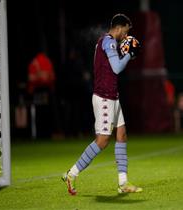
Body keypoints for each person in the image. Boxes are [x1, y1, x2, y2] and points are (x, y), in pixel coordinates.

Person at [61, 14, 142, 195]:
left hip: (112, 96)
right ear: (120, 28)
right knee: (103, 141)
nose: (126, 35)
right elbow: (117, 68)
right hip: (105, 99)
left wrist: (126, 53)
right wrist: (129, 54)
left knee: (121, 134)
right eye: (127, 31)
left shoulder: (106, 42)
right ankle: (71, 174)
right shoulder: (109, 42)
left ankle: (123, 183)